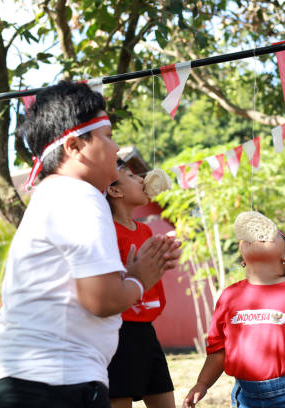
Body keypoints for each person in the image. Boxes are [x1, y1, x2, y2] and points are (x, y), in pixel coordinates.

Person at [0, 81, 181, 408]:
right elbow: (101, 300)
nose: (117, 150)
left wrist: (127, 274)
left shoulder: (51, 193)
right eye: (109, 136)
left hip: (22, 379)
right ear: (73, 146)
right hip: (52, 383)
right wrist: (141, 278)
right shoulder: (81, 195)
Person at [184, 211, 285, 408]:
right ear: (243, 258)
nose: (257, 237)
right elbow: (219, 351)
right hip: (246, 396)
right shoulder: (229, 296)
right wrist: (202, 383)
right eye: (250, 237)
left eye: (268, 235)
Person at [105, 159, 175, 408]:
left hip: (146, 330)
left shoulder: (145, 231)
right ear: (115, 190)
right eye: (132, 176)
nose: (142, 180)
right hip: (118, 331)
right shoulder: (104, 231)